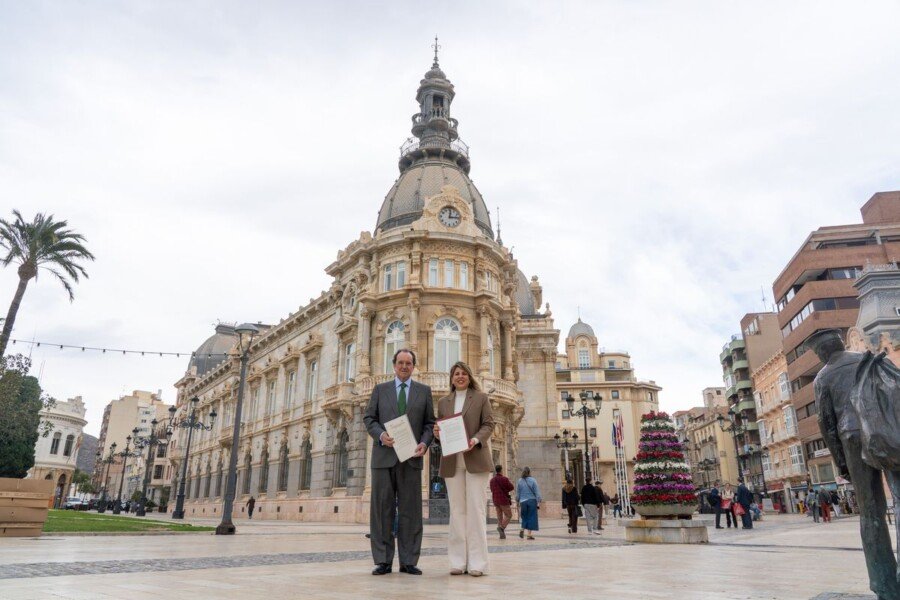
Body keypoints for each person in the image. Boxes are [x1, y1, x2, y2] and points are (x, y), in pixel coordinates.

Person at [364, 348, 435, 576]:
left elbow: (429, 424)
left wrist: (424, 443)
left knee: (411, 511)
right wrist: (380, 435)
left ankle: (408, 561)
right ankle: (383, 560)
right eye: (401, 362)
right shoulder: (380, 389)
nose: (405, 366)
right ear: (394, 365)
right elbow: (369, 418)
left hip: (411, 459)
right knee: (381, 510)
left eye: (409, 363)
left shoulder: (424, 392)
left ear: (414, 366)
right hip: (384, 458)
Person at [434, 361, 494, 577]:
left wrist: (476, 439)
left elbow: (489, 424)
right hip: (452, 461)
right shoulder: (443, 402)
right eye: (456, 374)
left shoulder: (480, 398)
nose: (460, 377)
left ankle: (478, 563)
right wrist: (437, 433)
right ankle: (457, 561)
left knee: (476, 512)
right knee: (457, 512)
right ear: (451, 378)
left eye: (464, 374)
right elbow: (440, 428)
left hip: (475, 458)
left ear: (469, 377)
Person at [516, 467, 541, 540]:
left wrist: (517, 501)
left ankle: (522, 529)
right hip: (532, 501)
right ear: (529, 472)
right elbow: (537, 491)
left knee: (524, 516)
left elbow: (518, 492)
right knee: (531, 517)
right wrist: (538, 500)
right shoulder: (533, 480)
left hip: (523, 501)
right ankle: (529, 534)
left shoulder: (520, 481)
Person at [490, 465, 514, 539]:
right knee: (509, 515)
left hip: (495, 500)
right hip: (503, 500)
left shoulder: (492, 480)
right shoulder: (504, 479)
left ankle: (502, 534)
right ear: (501, 470)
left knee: (499, 517)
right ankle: (502, 527)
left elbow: (491, 490)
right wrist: (506, 490)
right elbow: (511, 487)